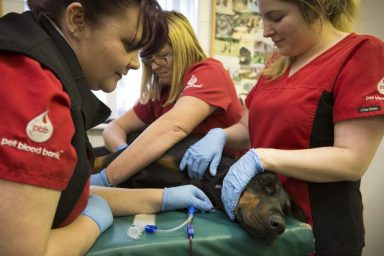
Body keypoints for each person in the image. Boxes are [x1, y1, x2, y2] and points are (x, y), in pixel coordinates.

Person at [0, 1, 213, 255]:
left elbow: (65, 197)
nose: (136, 64)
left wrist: (163, 199)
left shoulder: (36, 59)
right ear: (77, 20)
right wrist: (92, 223)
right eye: (128, 45)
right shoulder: (34, 88)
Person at [180, 0, 384, 255]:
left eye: (276, 18)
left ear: (314, 8)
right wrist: (219, 135)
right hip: (261, 216)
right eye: (263, 18)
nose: (266, 31)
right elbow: (247, 127)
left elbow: (353, 159)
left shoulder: (361, 53)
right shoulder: (278, 61)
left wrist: (263, 157)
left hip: (319, 229)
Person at [92, 10, 244, 187]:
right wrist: (123, 151)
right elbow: (115, 127)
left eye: (163, 56)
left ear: (182, 48)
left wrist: (107, 177)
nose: (155, 66)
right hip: (184, 180)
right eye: (150, 59)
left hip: (223, 180)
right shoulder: (163, 92)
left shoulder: (209, 72)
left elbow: (173, 127)